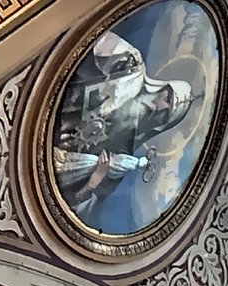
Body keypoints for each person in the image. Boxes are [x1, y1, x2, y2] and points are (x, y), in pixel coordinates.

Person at [52, 29, 198, 224]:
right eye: (168, 97)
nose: (161, 107)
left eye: (167, 113)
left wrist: (95, 179)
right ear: (163, 87)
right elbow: (83, 38)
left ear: (164, 123)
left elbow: (78, 208)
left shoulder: (121, 155)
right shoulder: (130, 67)